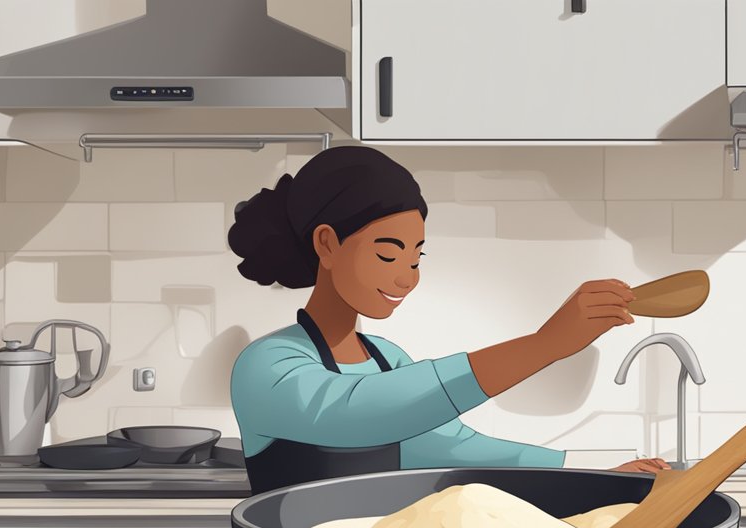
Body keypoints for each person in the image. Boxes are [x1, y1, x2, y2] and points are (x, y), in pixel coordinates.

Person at [228, 146, 670, 494]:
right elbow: (355, 412)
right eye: (387, 253)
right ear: (327, 244)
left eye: (417, 258)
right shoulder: (266, 364)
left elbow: (453, 446)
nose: (405, 277)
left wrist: (594, 474)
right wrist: (544, 345)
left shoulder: (387, 358)